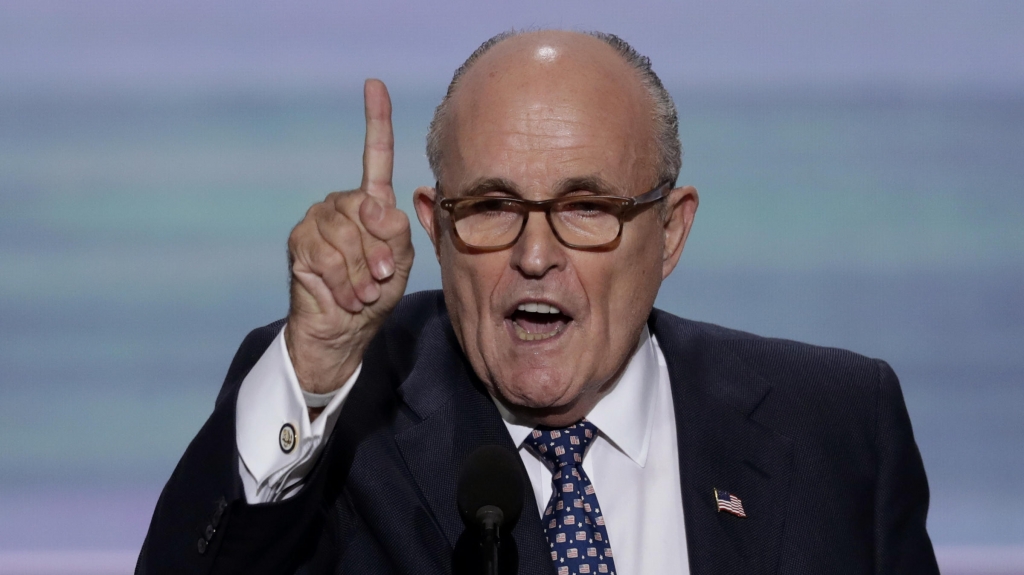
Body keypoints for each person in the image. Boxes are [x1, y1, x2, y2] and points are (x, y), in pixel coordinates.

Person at [137, 30, 939, 574]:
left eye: (586, 206)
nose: (534, 253)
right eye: (490, 207)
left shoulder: (837, 421)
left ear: (670, 232)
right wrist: (315, 371)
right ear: (437, 230)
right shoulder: (344, 422)